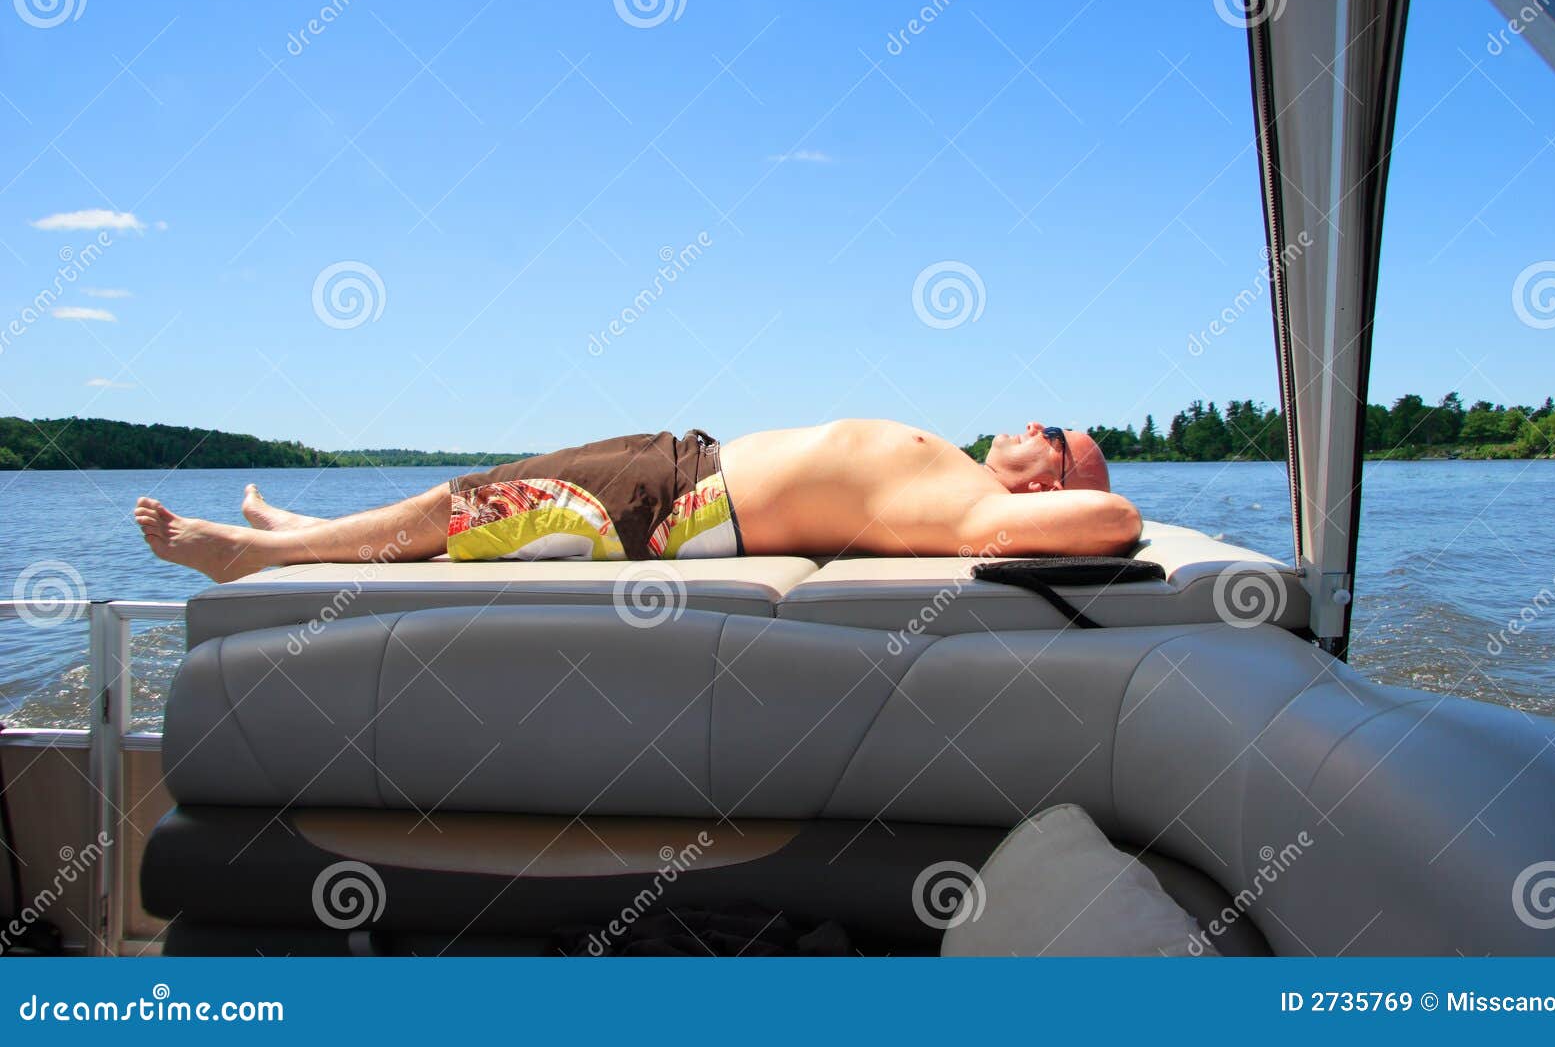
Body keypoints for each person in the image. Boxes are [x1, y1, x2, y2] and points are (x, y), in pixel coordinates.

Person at [134, 419, 1142, 583]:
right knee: (483, 492)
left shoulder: (974, 507)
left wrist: (1104, 501)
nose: (1028, 419)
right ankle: (316, 533)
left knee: (480, 504)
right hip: (686, 463)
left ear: (1049, 481)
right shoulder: (961, 479)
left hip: (683, 507)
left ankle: (253, 555)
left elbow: (1116, 522)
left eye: (1052, 433)